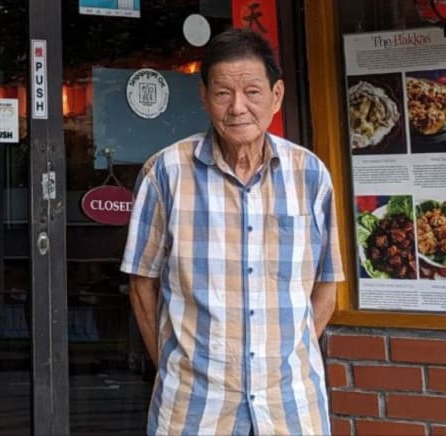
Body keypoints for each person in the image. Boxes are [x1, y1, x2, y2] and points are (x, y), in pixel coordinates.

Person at [122, 29, 344, 435]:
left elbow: (327, 285)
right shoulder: (166, 173)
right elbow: (142, 285)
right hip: (193, 409)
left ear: (276, 96)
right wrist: (175, 368)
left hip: (291, 407)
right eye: (223, 93)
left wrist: (283, 362)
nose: (238, 107)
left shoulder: (309, 174)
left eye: (253, 92)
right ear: (204, 97)